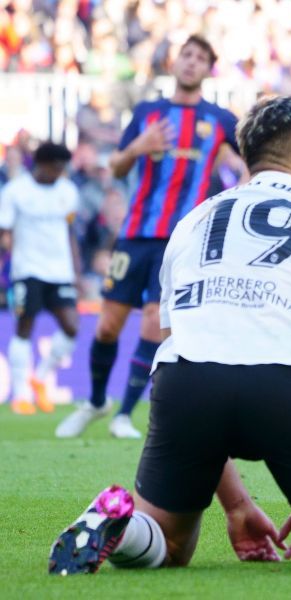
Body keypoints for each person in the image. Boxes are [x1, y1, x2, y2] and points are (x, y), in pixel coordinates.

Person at [48, 95, 291, 575]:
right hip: (285, 385)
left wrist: (236, 506)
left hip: (184, 384)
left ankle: (119, 522)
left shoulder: (191, 222)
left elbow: (184, 345)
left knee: (170, 545)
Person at [55, 35, 244, 440]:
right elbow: (118, 168)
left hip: (181, 241)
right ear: (174, 63)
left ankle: (124, 413)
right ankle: (96, 400)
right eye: (187, 55)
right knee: (107, 326)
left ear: (209, 70)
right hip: (136, 234)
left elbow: (250, 164)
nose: (192, 62)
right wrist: (139, 146)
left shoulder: (220, 120)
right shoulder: (148, 113)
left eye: (200, 57)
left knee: (152, 324)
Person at [0, 142, 80, 415]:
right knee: (25, 327)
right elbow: (5, 233)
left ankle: (40, 377)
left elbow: (70, 233)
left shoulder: (68, 192)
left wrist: (77, 273)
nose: (60, 173)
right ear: (42, 165)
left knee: (71, 327)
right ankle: (21, 394)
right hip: (27, 269)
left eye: (63, 168)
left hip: (60, 271)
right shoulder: (15, 191)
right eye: (56, 168)